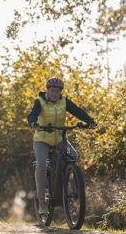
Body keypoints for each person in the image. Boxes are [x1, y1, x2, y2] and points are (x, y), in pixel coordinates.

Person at [27, 77, 96, 215]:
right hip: (42, 138)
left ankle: (67, 185)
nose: (55, 93)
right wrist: (33, 123)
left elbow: (77, 111)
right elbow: (32, 115)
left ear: (60, 92)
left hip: (59, 138)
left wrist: (89, 120)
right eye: (52, 90)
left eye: (57, 91)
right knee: (41, 165)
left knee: (73, 156)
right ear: (47, 90)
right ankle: (41, 201)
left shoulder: (64, 101)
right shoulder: (40, 102)